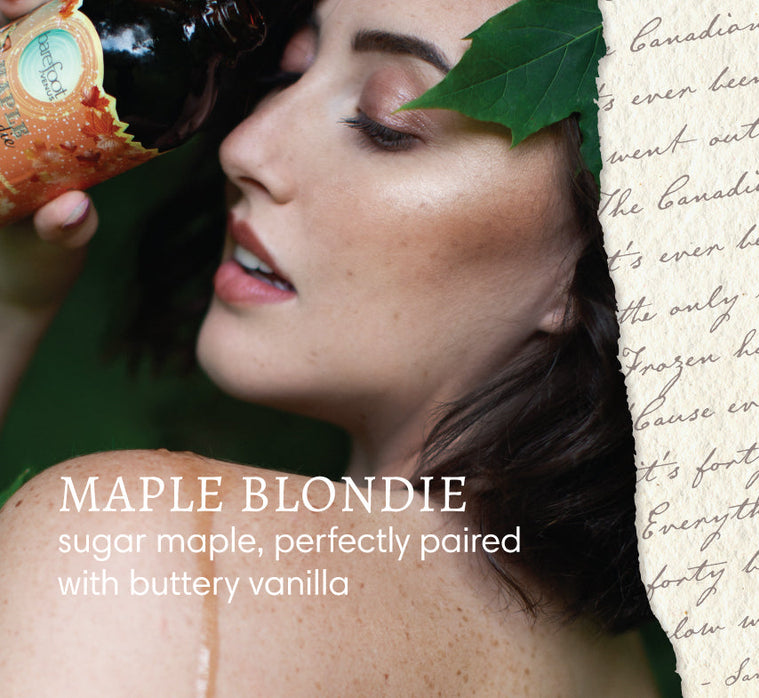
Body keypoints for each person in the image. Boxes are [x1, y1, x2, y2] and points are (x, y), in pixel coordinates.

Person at [0, 0, 657, 694]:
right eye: (290, 72)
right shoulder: (623, 673)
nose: (243, 147)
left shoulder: (148, 558)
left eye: (385, 123)